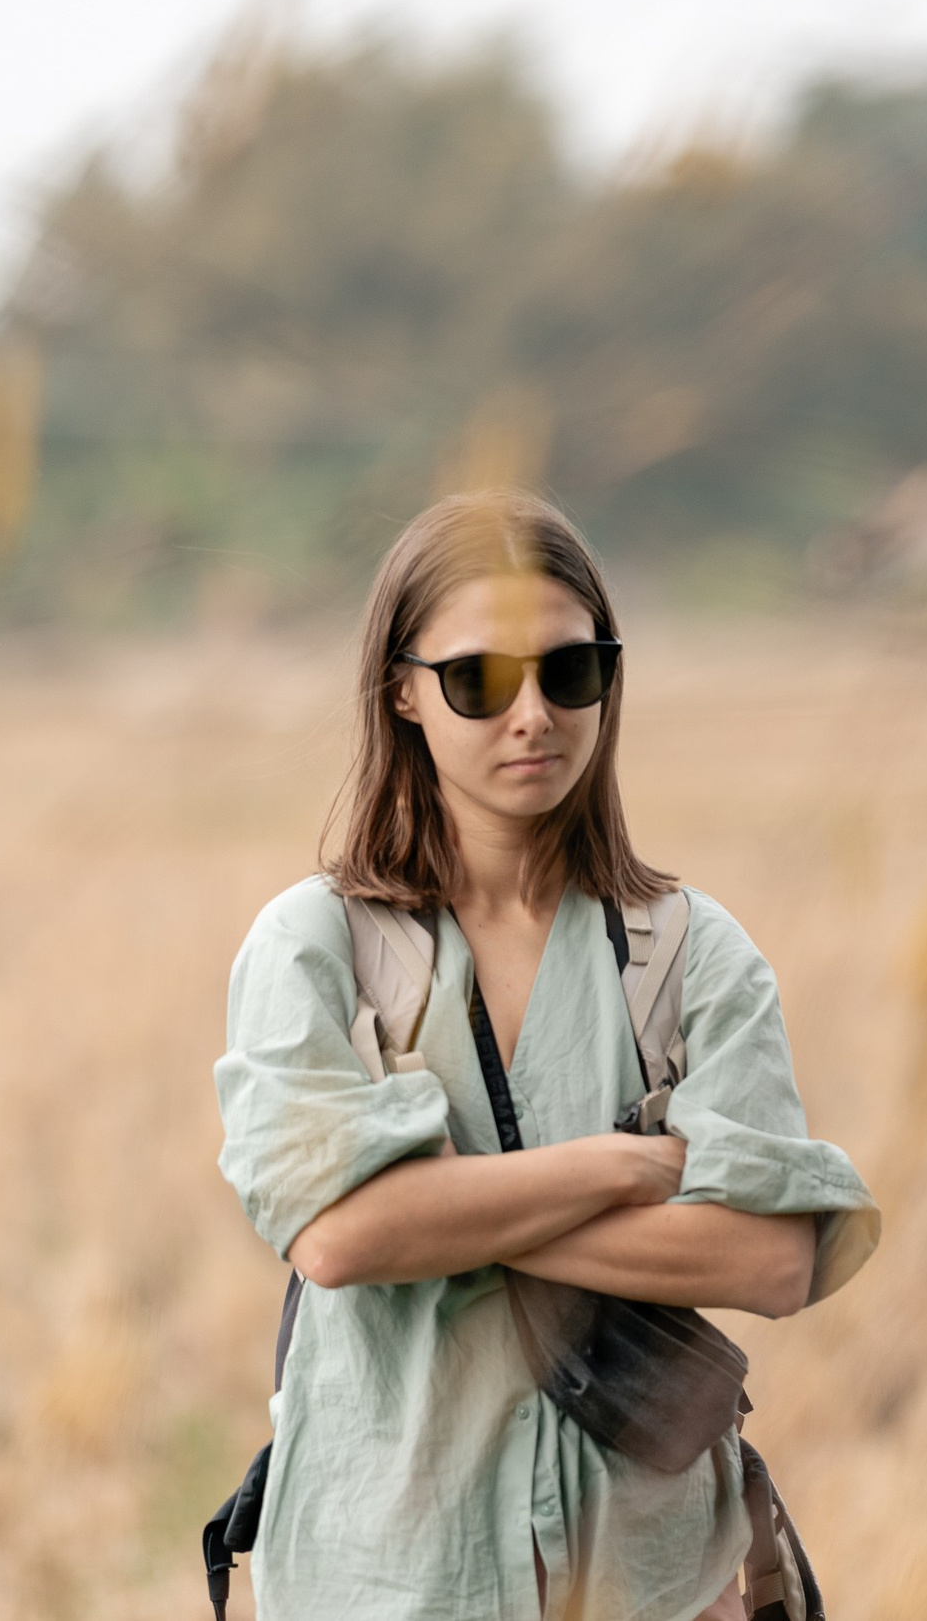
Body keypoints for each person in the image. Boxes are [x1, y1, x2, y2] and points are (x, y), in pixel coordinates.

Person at [213, 491, 882, 1621]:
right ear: (402, 689)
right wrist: (626, 1167)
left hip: (658, 1584)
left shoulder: (688, 952)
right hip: (383, 1585)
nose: (533, 715)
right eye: (480, 679)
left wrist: (438, 1214)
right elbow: (335, 1238)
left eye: (570, 672)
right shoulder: (314, 943)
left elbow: (772, 1260)